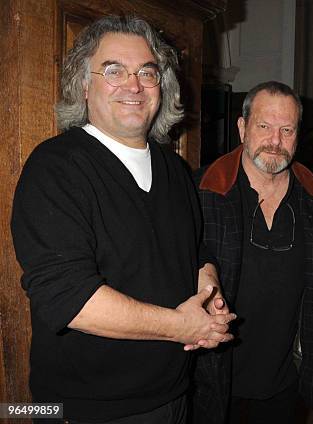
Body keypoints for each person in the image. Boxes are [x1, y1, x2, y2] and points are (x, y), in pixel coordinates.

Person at [11, 16, 235, 424]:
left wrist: (208, 292)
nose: (133, 86)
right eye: (114, 70)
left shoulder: (174, 170)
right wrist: (181, 327)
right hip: (83, 410)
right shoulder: (55, 167)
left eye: (147, 72)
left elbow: (196, 250)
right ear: (83, 83)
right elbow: (69, 299)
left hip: (173, 398)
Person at [192, 81, 313, 424]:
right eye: (264, 126)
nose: (275, 141)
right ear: (242, 128)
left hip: (285, 382)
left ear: (299, 136)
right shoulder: (201, 192)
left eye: (287, 130)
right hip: (210, 381)